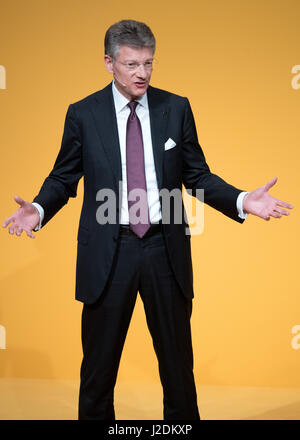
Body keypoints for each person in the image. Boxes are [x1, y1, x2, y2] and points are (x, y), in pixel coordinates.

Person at [2, 20, 293, 420]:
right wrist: (37, 208)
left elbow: (197, 175)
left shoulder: (175, 108)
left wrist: (242, 200)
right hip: (109, 253)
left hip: (164, 251)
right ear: (109, 63)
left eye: (149, 64)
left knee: (178, 372)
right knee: (98, 374)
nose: (142, 74)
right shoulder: (83, 114)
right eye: (131, 64)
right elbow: (63, 177)